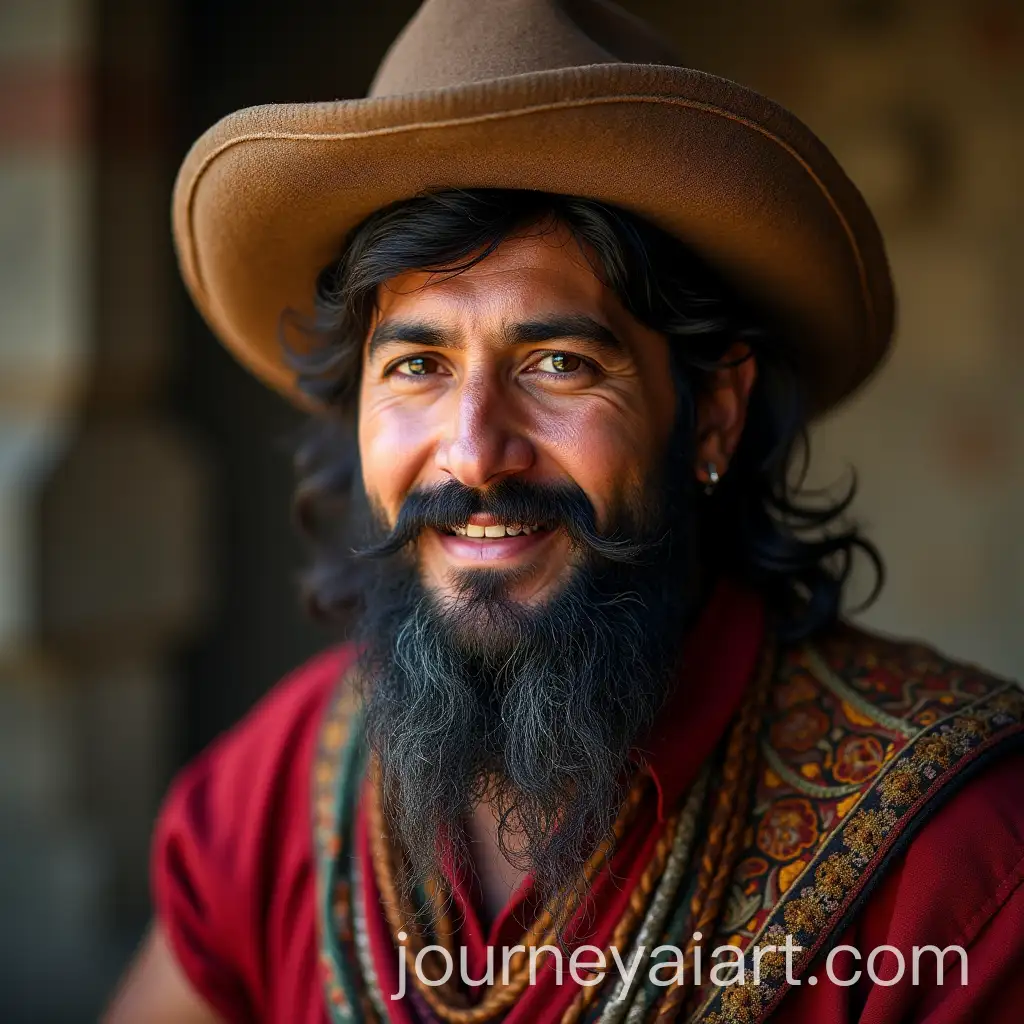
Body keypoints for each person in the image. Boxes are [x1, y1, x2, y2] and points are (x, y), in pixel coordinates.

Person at [105, 1, 1024, 1022]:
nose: (473, 451)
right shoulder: (270, 793)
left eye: (557, 363)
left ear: (715, 413)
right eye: (417, 365)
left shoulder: (958, 867)